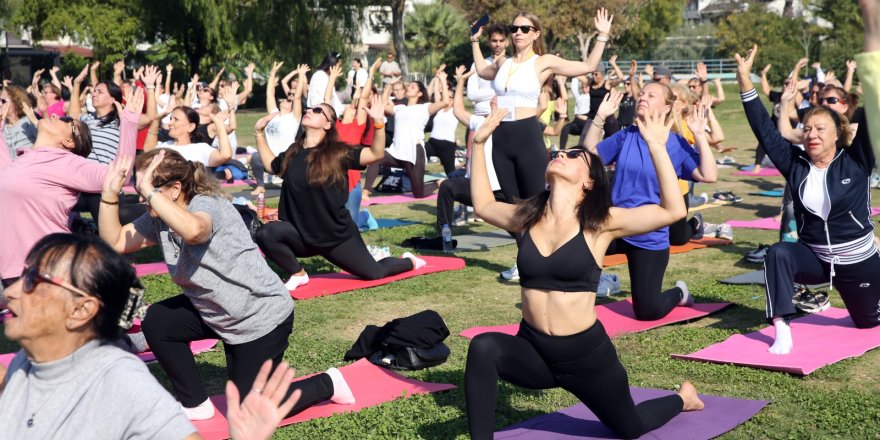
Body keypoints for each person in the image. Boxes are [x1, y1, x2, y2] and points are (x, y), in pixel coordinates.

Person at [464, 108, 704, 440]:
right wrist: (479, 144)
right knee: (483, 347)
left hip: (586, 357)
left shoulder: (600, 224)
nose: (562, 153)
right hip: (534, 350)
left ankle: (683, 398)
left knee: (630, 427)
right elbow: (483, 205)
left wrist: (656, 146)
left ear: (590, 181)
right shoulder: (527, 218)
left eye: (575, 155)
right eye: (562, 151)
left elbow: (673, 210)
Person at [98, 148, 356, 420]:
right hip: (215, 311)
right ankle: (195, 403)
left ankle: (328, 383)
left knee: (249, 411)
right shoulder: (158, 218)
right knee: (159, 321)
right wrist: (109, 193)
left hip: (258, 318)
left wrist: (149, 192)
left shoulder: (207, 204)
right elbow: (115, 241)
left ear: (175, 188)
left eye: (147, 188)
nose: (141, 197)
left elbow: (195, 231)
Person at [0, 233, 306, 439]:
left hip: (260, 319)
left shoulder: (120, 382)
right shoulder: (34, 358)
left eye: (31, 280)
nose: (10, 292)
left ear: (82, 309)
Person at [736, 42, 880, 355]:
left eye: (820, 128)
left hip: (858, 262)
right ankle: (782, 328)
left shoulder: (856, 161)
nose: (811, 134)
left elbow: (873, 110)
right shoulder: (795, 165)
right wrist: (745, 80)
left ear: (837, 133)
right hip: (816, 259)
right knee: (778, 253)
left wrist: (873, 63)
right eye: (807, 128)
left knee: (868, 323)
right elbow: (764, 131)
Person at [251, 96, 426, 291]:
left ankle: (409, 261)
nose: (309, 110)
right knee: (265, 233)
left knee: (374, 273)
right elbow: (270, 165)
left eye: (318, 110)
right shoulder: (293, 153)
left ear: (328, 124)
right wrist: (259, 133)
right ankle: (298, 274)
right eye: (310, 108)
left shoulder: (338, 153)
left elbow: (376, 154)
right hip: (300, 235)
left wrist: (378, 123)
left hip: (336, 236)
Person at [584, 82, 717, 321]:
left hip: (648, 235)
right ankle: (599, 281)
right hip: (615, 228)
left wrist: (699, 134)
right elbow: (589, 155)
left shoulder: (675, 143)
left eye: (651, 95)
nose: (642, 97)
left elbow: (708, 175)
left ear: (667, 108)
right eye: (642, 93)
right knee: (577, 243)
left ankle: (678, 293)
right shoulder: (627, 135)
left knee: (647, 311)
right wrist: (600, 117)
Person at [0, 89, 141, 287]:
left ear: (69, 141)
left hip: (46, 268)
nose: (56, 115)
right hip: (11, 269)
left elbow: (120, 174)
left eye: (67, 121)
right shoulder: (23, 158)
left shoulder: (67, 163)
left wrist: (129, 123)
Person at [362, 74, 448, 199]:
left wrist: (443, 81)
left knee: (418, 194)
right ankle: (366, 192)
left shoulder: (424, 108)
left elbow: (445, 102)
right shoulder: (400, 108)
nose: (409, 87)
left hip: (413, 153)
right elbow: (382, 105)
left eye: (413, 87)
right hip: (396, 151)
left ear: (419, 93)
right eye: (409, 85)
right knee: (375, 158)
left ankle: (438, 183)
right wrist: (390, 85)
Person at [250, 62, 307, 196]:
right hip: (269, 156)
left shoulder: (293, 117)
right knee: (255, 157)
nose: (288, 99)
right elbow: (270, 94)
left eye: (290, 100)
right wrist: (273, 71)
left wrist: (301, 75)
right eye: (287, 98)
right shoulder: (274, 114)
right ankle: (260, 186)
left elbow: (297, 97)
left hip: (285, 158)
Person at [144, 105, 233, 167]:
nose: (170, 123)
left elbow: (225, 155)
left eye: (176, 119)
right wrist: (156, 120)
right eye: (171, 119)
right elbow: (148, 149)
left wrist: (219, 123)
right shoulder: (165, 145)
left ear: (191, 127)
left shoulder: (199, 149)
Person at [1, 85, 37, 158]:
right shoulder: (2, 126)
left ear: (16, 102)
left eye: (3, 101)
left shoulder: (28, 122)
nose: (0, 104)